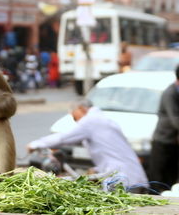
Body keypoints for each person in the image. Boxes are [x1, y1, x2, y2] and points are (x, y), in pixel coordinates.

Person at [26, 99, 148, 191]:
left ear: (81, 109)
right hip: (136, 177)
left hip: (124, 180)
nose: (76, 121)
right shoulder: (105, 120)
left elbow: (63, 138)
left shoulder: (90, 121)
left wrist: (35, 144)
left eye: (74, 117)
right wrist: (95, 170)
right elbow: (110, 153)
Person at [148, 65, 179, 193]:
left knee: (171, 180)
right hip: (163, 142)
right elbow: (176, 119)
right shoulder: (170, 93)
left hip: (173, 143)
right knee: (158, 181)